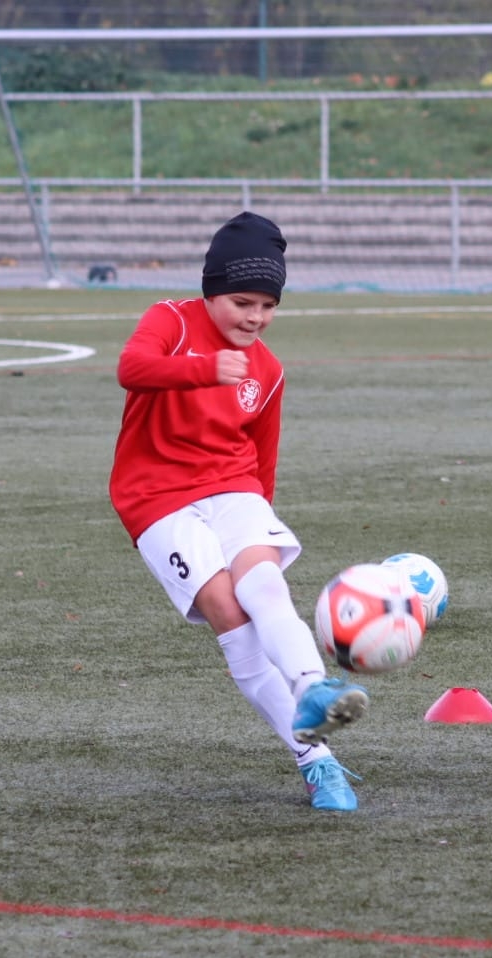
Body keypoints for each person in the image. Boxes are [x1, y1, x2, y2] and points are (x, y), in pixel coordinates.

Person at [108, 211, 369, 812]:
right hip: (156, 498)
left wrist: (259, 520)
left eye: (268, 306)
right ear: (211, 292)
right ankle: (315, 760)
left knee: (264, 585)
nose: (255, 317)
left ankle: (313, 688)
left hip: (233, 488)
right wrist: (203, 369)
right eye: (242, 302)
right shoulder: (171, 320)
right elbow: (130, 369)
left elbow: (263, 455)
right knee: (230, 613)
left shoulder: (268, 370)